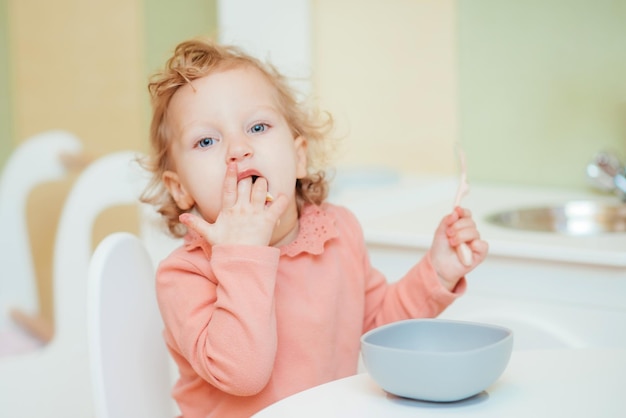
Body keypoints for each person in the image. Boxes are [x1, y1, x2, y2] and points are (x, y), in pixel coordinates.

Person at [140, 38, 489, 418]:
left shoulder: (338, 233)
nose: (238, 149)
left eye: (257, 126)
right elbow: (243, 375)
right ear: (181, 190)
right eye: (207, 140)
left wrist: (437, 272)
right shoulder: (184, 275)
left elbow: (376, 327)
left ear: (299, 156)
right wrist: (243, 253)